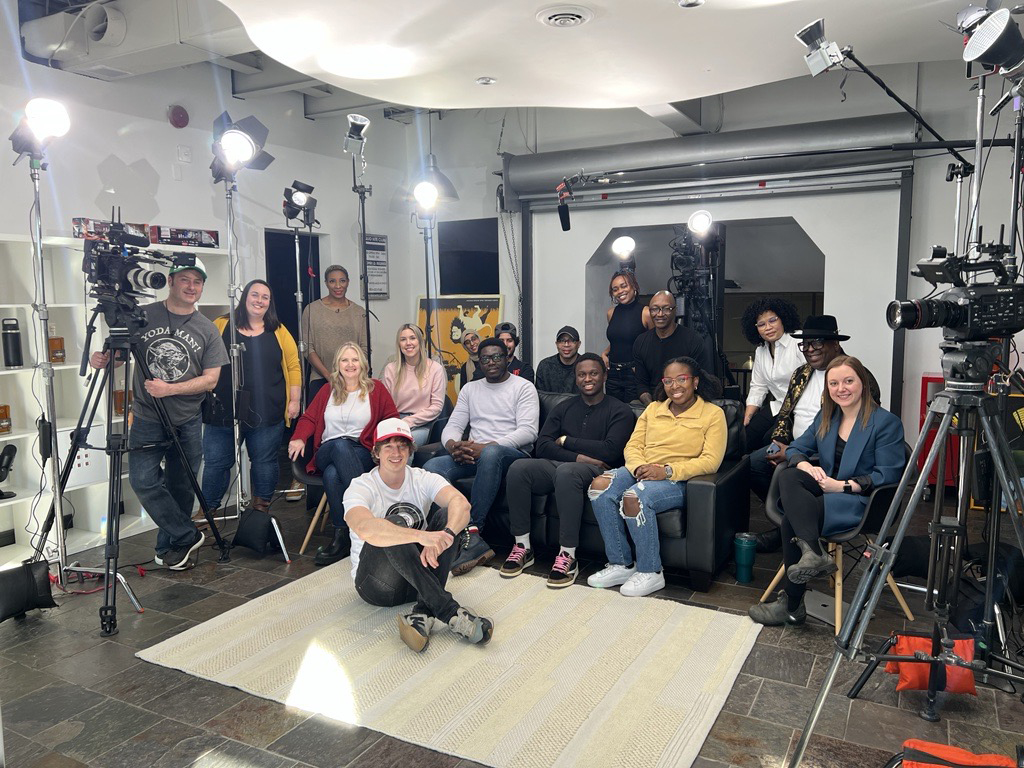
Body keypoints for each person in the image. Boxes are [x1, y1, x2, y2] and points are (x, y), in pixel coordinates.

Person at [90, 258, 228, 570]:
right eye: (185, 280)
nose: (192, 287)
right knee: (142, 479)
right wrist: (103, 359)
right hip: (147, 416)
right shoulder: (144, 316)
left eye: (197, 282)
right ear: (170, 281)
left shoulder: (207, 329)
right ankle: (186, 534)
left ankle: (171, 548)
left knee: (182, 486)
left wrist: (171, 389)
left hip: (188, 419)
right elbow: (120, 357)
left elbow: (211, 379)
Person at [748, 356, 905, 626]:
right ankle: (813, 552)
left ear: (863, 383)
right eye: (834, 383)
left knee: (792, 520)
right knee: (790, 475)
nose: (841, 388)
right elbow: (797, 447)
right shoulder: (828, 416)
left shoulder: (885, 422)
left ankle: (792, 603)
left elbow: (888, 473)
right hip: (828, 491)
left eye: (848, 381)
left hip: (863, 501)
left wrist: (842, 485)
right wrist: (806, 465)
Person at [345, 418, 493, 652]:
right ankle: (448, 610)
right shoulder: (361, 486)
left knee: (448, 516)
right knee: (390, 526)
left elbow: (461, 505)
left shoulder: (422, 478)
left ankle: (423, 612)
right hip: (376, 586)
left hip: (418, 580)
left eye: (402, 445)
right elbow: (364, 527)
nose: (396, 452)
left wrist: (446, 533)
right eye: (388, 446)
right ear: (376, 452)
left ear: (411, 450)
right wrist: (421, 537)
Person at [587, 356, 726, 597]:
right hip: (642, 469)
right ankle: (620, 564)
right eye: (669, 381)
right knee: (600, 486)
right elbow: (632, 445)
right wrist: (640, 467)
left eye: (681, 379)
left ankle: (651, 571)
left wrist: (667, 470)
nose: (675, 386)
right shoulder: (653, 409)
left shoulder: (712, 414)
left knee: (634, 497)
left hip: (678, 479)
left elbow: (710, 461)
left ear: (695, 382)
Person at [501, 354, 636, 587]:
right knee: (519, 467)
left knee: (568, 473)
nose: (587, 379)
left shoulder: (620, 411)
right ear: (575, 379)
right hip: (565, 465)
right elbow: (542, 445)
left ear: (604, 375)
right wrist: (579, 456)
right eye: (581, 374)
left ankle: (567, 556)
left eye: (593, 373)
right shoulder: (564, 407)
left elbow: (610, 452)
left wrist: (565, 441)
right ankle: (522, 546)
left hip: (598, 474)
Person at [750, 315, 880, 553]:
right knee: (754, 464)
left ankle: (795, 530)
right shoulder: (801, 373)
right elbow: (786, 412)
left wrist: (793, 453)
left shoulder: (855, 376)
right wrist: (780, 441)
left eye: (817, 343)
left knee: (788, 475)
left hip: (828, 459)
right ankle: (796, 525)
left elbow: (858, 432)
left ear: (835, 344)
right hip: (797, 447)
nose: (810, 350)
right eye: (805, 344)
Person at [423, 337, 540, 575]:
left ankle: (474, 531)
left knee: (492, 454)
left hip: (511, 455)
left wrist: (487, 447)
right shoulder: (471, 389)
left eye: (497, 357)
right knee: (434, 464)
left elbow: (529, 431)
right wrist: (454, 445)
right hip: (476, 454)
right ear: (479, 362)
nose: (491, 362)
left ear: (508, 358)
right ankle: (444, 532)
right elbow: (453, 426)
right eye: (485, 358)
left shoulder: (523, 387)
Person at [288, 343, 398, 566]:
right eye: (345, 360)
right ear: (337, 365)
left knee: (332, 476)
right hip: (328, 450)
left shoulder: (375, 389)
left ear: (362, 364)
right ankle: (371, 515)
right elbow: (309, 418)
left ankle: (343, 537)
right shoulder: (327, 390)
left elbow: (391, 418)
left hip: (362, 450)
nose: (350, 364)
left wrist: (386, 447)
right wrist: (299, 437)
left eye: (355, 359)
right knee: (339, 447)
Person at [202, 279, 301, 517]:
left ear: (270, 303)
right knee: (216, 463)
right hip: (223, 409)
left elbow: (293, 365)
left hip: (267, 409)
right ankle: (208, 511)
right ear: (244, 297)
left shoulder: (279, 330)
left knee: (264, 461)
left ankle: (260, 509)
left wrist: (295, 400)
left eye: (265, 297)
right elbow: (203, 356)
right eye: (254, 295)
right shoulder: (221, 324)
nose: (259, 300)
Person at [741, 298, 804, 451]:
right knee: (745, 436)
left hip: (801, 407)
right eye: (761, 324)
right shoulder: (761, 350)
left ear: (783, 319)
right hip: (778, 405)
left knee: (768, 441)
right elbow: (758, 386)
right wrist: (748, 416)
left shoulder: (799, 340)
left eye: (772, 320)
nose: (767, 327)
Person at [632, 291, 714, 405]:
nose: (660, 314)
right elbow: (641, 384)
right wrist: (653, 407)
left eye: (666, 308)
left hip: (686, 403)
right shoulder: (640, 342)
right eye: (654, 309)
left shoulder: (693, 340)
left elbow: (702, 381)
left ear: (675, 310)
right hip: (654, 404)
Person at [301, 265, 367, 404]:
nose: (338, 286)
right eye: (332, 281)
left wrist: (349, 373)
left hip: (353, 379)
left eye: (342, 281)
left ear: (348, 282)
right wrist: (329, 375)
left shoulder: (358, 312)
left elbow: (364, 348)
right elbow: (308, 348)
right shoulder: (312, 310)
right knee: (320, 423)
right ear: (326, 283)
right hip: (320, 380)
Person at [381, 324, 446, 446]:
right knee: (381, 445)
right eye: (403, 339)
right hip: (395, 421)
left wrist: (408, 421)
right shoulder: (391, 369)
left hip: (422, 424)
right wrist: (395, 423)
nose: (408, 343)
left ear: (420, 341)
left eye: (412, 338)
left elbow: (436, 407)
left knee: (403, 443)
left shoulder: (435, 369)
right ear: (399, 344)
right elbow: (385, 404)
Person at [603, 270, 653, 403]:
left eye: (624, 286)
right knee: (613, 414)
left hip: (634, 374)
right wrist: (605, 353)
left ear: (634, 286)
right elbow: (619, 340)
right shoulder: (611, 313)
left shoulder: (646, 312)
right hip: (612, 374)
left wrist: (642, 368)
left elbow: (654, 344)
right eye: (615, 289)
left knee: (633, 416)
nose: (620, 291)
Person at [534, 325, 582, 394]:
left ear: (578, 344)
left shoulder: (585, 365)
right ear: (556, 344)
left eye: (571, 340)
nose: (566, 344)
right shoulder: (545, 366)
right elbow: (540, 397)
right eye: (562, 341)